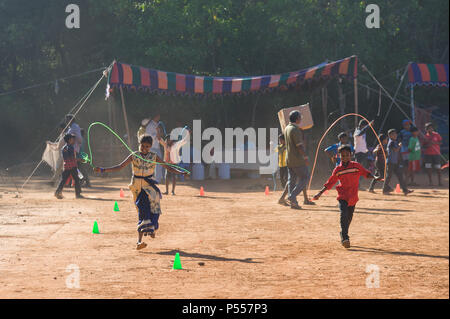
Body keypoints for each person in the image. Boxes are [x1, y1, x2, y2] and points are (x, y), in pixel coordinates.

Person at [94, 135, 187, 250]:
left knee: (153, 209)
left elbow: (167, 167)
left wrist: (180, 172)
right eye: (142, 146)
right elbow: (119, 167)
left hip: (149, 187)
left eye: (147, 147)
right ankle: (141, 239)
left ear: (150, 147)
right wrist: (103, 169)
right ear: (140, 144)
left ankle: (147, 234)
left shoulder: (154, 156)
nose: (144, 148)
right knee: (142, 212)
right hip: (137, 188)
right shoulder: (134, 156)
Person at [313, 145, 383, 248]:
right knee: (343, 213)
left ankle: (343, 232)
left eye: (347, 155)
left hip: (353, 197)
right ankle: (345, 237)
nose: (345, 157)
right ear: (339, 156)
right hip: (342, 196)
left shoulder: (356, 166)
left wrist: (375, 177)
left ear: (351, 155)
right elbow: (330, 182)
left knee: (349, 218)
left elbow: (366, 173)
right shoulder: (338, 169)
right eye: (342, 156)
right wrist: (319, 193)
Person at [284, 111, 310, 210]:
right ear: (296, 119)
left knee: (292, 180)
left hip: (289, 159)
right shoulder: (295, 129)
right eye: (300, 117)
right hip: (297, 159)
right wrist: (305, 157)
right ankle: (292, 196)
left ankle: (293, 202)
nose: (301, 119)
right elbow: (299, 146)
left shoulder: (287, 128)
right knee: (305, 177)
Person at [382, 129, 413, 196]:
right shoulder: (391, 142)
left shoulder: (394, 141)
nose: (395, 135)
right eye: (393, 134)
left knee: (400, 176)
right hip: (391, 162)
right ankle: (384, 189)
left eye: (395, 134)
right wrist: (400, 146)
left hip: (394, 162)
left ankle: (405, 190)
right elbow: (395, 150)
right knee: (389, 176)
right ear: (390, 135)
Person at [54, 133, 83, 199]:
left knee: (63, 180)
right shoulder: (70, 147)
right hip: (72, 166)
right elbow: (72, 158)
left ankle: (57, 192)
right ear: (69, 140)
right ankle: (78, 194)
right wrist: (80, 159)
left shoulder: (64, 148)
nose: (74, 140)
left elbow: (67, 158)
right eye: (73, 139)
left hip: (67, 166)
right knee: (77, 179)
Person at [353, 119, 374, 190]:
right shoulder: (357, 131)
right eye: (365, 126)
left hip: (363, 152)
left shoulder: (363, 132)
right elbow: (359, 134)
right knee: (358, 169)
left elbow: (363, 141)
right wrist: (368, 126)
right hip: (358, 153)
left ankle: (357, 184)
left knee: (362, 169)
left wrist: (366, 149)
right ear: (362, 125)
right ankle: (355, 185)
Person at [145, 114, 163, 183]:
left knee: (159, 163)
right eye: (158, 116)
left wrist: (159, 132)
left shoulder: (157, 125)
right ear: (155, 116)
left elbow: (159, 136)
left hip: (157, 147)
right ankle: (148, 178)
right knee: (150, 164)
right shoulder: (150, 125)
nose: (159, 117)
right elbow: (150, 136)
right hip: (151, 147)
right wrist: (158, 133)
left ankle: (157, 180)